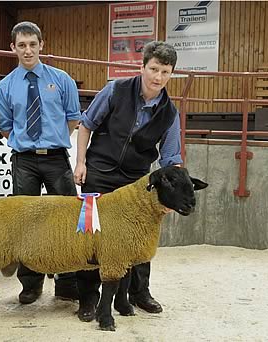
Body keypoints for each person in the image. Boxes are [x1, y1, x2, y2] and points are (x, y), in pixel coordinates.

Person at [73, 41, 182, 321]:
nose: (158, 77)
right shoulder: (115, 90)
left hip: (136, 181)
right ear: (142, 66)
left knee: (140, 236)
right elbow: (86, 125)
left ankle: (138, 292)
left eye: (165, 72)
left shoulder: (170, 113)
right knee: (90, 237)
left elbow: (171, 159)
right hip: (99, 170)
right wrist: (81, 162)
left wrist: (173, 194)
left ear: (172, 74)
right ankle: (87, 297)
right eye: (154, 69)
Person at [0, 21, 81, 304]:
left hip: (56, 158)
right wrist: (29, 145)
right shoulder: (7, 86)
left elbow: (72, 118)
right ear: (13, 48)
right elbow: (6, 126)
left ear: (42, 45)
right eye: (22, 45)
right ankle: (30, 284)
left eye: (33, 44)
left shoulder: (62, 79)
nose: (28, 50)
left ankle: (67, 281)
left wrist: (51, 140)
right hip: (24, 161)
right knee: (27, 223)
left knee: (66, 219)